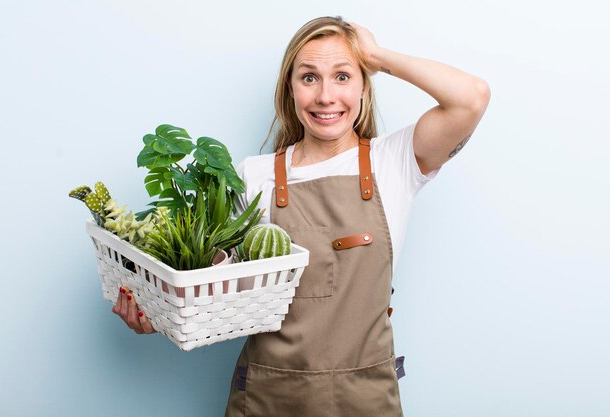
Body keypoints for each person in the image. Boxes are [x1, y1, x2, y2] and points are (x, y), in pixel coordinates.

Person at [112, 15, 490, 417]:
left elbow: (472, 97)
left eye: (343, 76)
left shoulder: (393, 162)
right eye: (309, 78)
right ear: (290, 89)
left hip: (364, 399)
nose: (326, 96)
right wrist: (163, 314)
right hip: (267, 397)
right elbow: (223, 293)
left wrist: (376, 56)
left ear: (364, 87)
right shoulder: (253, 175)